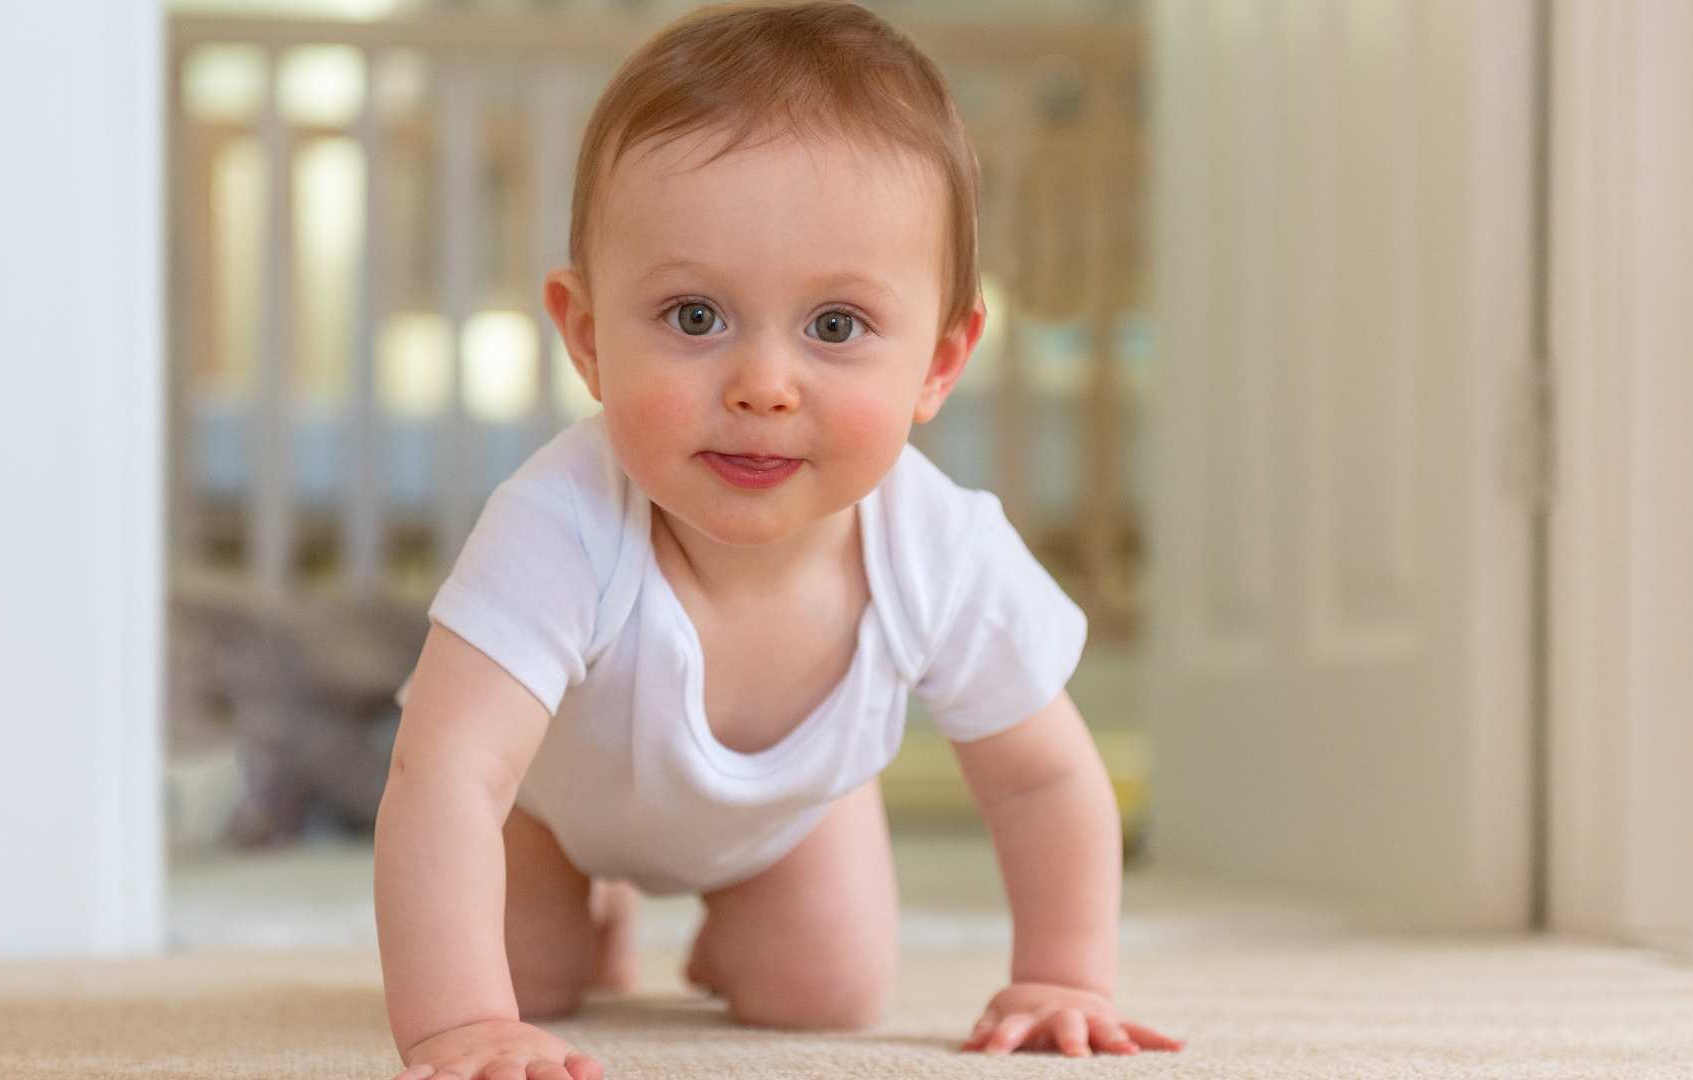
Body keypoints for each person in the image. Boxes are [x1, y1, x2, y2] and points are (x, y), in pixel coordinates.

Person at [374, 3, 1185, 1077]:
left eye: (836, 327)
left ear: (940, 363)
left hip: (787, 820)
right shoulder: (559, 523)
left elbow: (1044, 781)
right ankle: (590, 901)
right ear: (586, 336)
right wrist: (460, 1025)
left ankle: (731, 923)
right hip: (552, 811)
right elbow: (447, 777)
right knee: (527, 978)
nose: (762, 386)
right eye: (695, 317)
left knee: (825, 995)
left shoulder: (937, 547)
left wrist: (1063, 975)